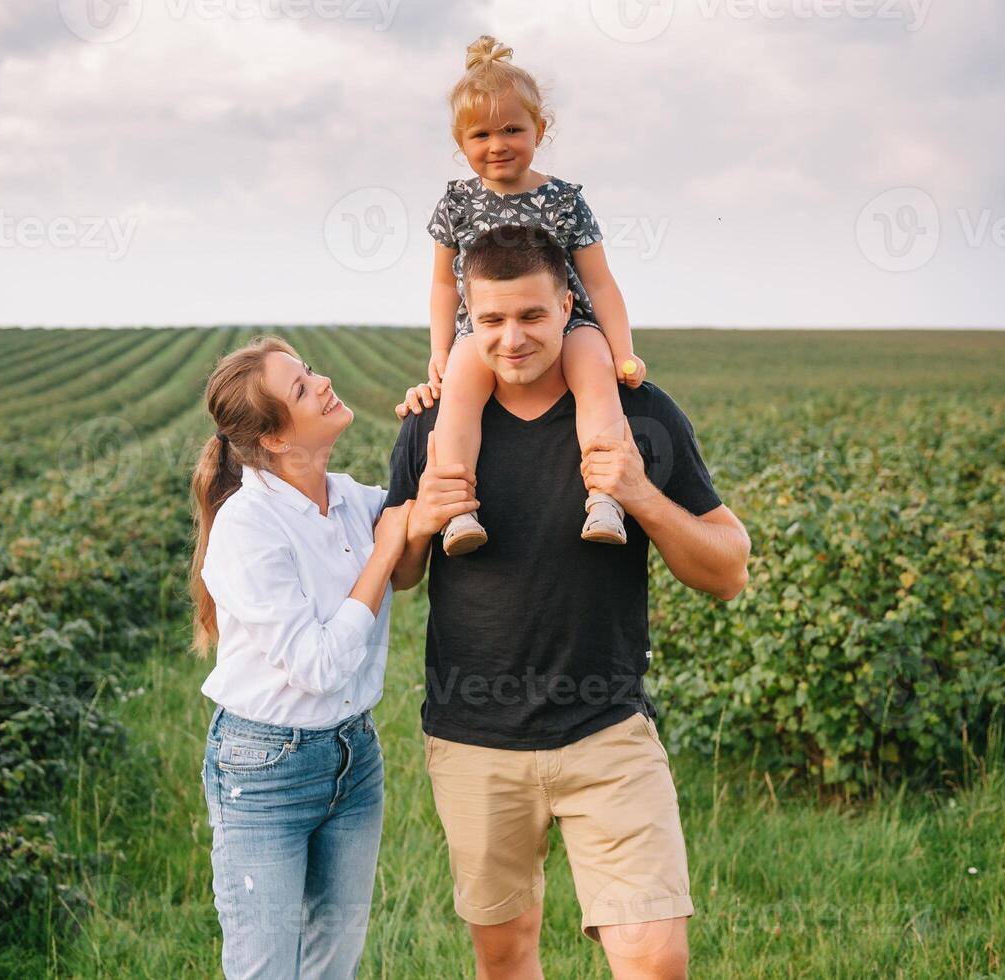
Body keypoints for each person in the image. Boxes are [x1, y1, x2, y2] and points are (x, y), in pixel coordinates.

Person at [386, 226, 751, 980]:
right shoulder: (430, 425)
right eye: (489, 321)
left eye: (531, 316)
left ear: (567, 307)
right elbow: (401, 578)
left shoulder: (636, 414)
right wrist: (419, 523)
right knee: (507, 956)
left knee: (655, 961)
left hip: (607, 731)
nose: (511, 339)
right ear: (467, 320)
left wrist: (639, 494)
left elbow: (727, 572)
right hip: (474, 738)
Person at [188, 335, 473, 978]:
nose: (320, 383)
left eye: (309, 371)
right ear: (278, 439)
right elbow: (317, 666)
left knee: (332, 964)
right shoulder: (248, 526)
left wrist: (433, 409)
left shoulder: (352, 499)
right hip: (264, 769)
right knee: (266, 967)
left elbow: (410, 536)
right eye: (299, 387)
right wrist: (381, 553)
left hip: (353, 758)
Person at [423, 34, 649, 557]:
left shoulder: (564, 200)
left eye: (511, 129)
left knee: (595, 377)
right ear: (461, 144)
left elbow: (598, 281)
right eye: (480, 135)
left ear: (539, 130)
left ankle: (604, 498)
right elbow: (441, 283)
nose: (497, 144)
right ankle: (458, 511)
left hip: (564, 326)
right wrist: (440, 350)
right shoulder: (457, 203)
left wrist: (623, 350)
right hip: (482, 329)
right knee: (457, 400)